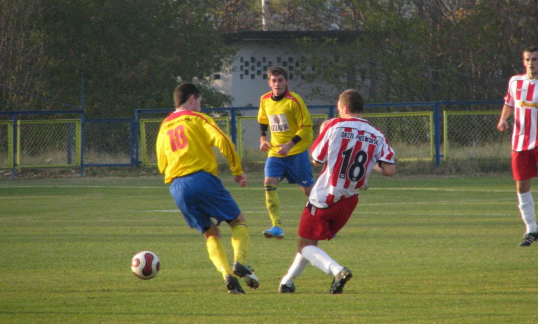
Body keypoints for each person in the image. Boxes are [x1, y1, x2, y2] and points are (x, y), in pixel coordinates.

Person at [278, 89, 395, 294]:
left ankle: (337, 270)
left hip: (325, 197)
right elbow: (389, 170)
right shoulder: (377, 135)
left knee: (304, 245)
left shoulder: (335, 125)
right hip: (349, 201)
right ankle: (287, 282)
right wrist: (371, 165)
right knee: (310, 241)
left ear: (344, 107)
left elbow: (316, 158)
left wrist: (324, 133)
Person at [156, 83, 259, 294]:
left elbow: (160, 164)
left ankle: (227, 275)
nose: (201, 107)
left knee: (210, 232)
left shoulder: (164, 126)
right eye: (200, 102)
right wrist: (237, 171)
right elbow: (224, 142)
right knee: (238, 221)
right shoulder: (198, 119)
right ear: (192, 99)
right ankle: (239, 262)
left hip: (177, 187)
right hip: (201, 179)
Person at [497, 45, 538, 247]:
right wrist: (502, 120)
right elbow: (510, 103)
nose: (531, 63)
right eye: (527, 59)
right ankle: (531, 229)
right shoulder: (515, 81)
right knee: (521, 185)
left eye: (534, 59)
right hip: (520, 142)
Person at [257, 66, 315, 239]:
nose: (277, 84)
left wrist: (289, 145)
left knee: (308, 191)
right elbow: (262, 120)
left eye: (280, 80)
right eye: (273, 81)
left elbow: (306, 127)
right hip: (276, 152)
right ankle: (276, 226)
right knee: (269, 181)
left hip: (296, 151)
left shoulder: (294, 101)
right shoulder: (265, 100)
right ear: (269, 83)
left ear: (287, 81)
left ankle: (324, 222)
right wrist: (263, 139)